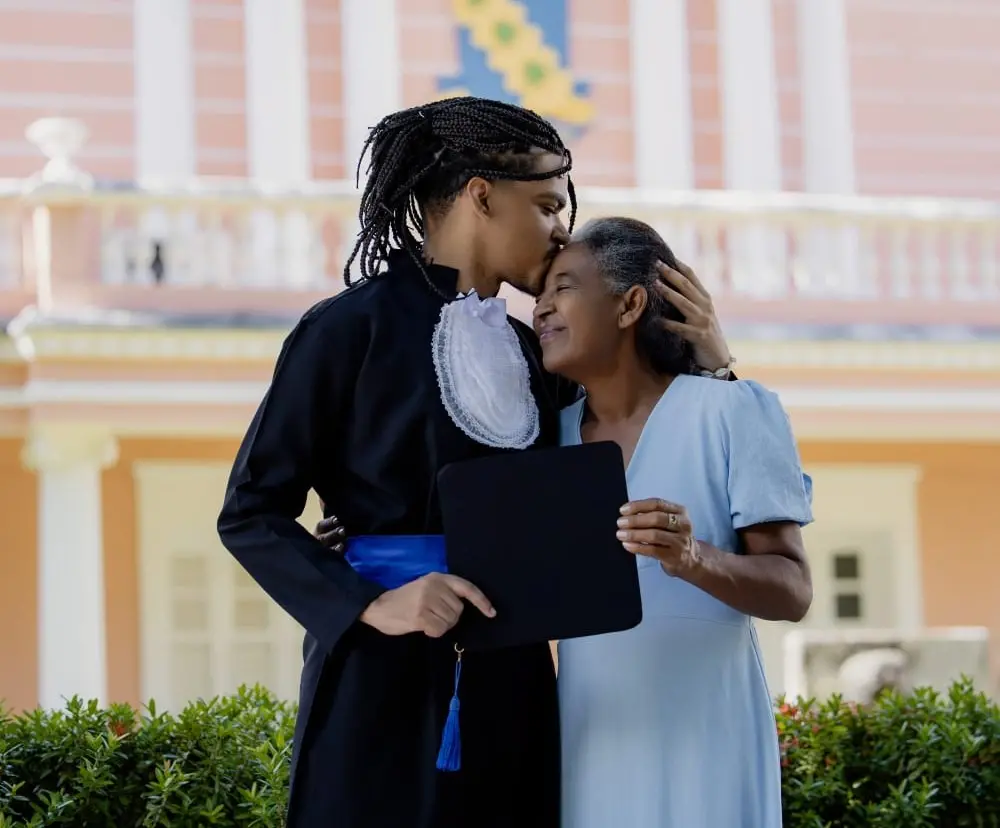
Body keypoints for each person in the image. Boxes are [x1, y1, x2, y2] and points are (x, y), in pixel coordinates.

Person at [218, 97, 734, 828]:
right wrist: (372, 601)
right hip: (379, 681)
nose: (562, 233)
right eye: (549, 205)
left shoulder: (536, 354)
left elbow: (630, 449)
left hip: (514, 676)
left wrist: (711, 363)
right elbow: (250, 511)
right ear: (481, 196)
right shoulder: (344, 331)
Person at [534, 216, 814, 828]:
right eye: (539, 295)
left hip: (709, 732)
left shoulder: (733, 410)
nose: (541, 310)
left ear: (631, 303)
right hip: (592, 730)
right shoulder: (544, 442)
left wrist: (694, 558)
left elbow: (792, 591)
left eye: (563, 288)